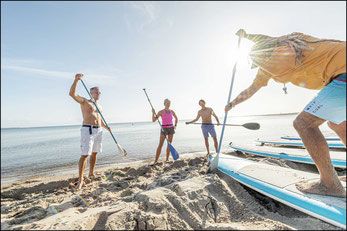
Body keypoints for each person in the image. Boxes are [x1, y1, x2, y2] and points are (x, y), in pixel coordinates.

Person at [224, 29, 346, 197]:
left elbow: (250, 90)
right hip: (340, 71)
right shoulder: (289, 43)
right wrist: (232, 103)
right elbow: (250, 90)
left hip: (343, 71)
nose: (263, 63)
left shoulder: (281, 47)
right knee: (338, 123)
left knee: (303, 124)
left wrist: (230, 105)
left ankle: (329, 184)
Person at [69, 73, 111, 190]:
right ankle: (81, 180)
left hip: (99, 130)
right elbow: (72, 94)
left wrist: (106, 127)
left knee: (95, 153)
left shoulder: (100, 106)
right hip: (88, 129)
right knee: (85, 154)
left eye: (99, 92)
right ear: (91, 93)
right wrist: (76, 80)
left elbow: (99, 119)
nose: (98, 94)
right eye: (96, 92)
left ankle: (91, 173)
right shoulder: (85, 102)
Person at [152, 99, 178, 164]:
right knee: (160, 144)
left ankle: (167, 159)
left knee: (169, 144)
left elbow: (176, 118)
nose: (168, 104)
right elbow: (154, 120)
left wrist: (175, 125)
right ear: (164, 104)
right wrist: (153, 113)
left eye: (169, 103)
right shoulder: (161, 112)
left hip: (171, 128)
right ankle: (156, 161)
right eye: (167, 103)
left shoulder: (172, 111)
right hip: (164, 129)